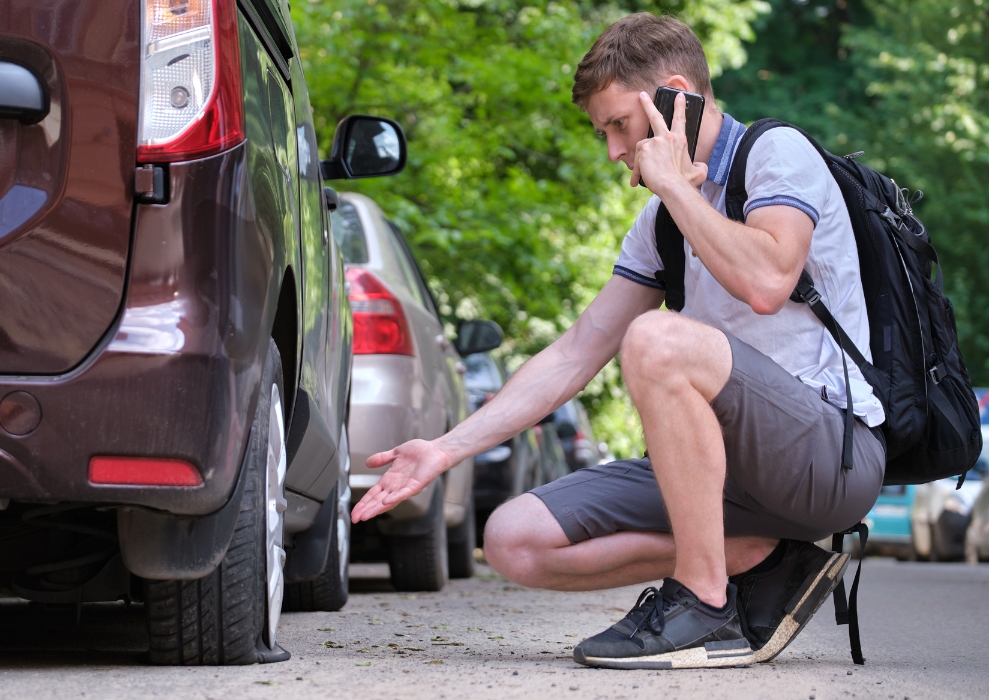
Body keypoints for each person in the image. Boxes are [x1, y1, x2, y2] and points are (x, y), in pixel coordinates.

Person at [349, 12, 886, 670]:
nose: (612, 151)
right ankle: (758, 558)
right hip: (725, 479)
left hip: (827, 459)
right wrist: (443, 449)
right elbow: (576, 352)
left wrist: (676, 188)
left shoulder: (777, 155)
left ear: (675, 98)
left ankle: (703, 602)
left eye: (619, 125)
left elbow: (768, 282)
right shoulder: (661, 223)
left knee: (657, 337)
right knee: (514, 539)